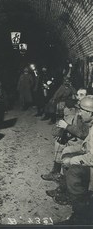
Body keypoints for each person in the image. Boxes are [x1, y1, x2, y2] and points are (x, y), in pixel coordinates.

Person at [57, 96, 93, 224]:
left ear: (90, 113)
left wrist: (72, 160)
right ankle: (68, 191)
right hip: (88, 155)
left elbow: (91, 158)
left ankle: (79, 216)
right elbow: (86, 145)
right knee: (67, 153)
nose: (79, 112)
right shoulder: (90, 124)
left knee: (74, 172)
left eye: (82, 110)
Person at [41, 90, 90, 183]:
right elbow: (73, 125)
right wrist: (62, 133)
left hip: (84, 142)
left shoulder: (87, 112)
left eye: (82, 95)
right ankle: (56, 172)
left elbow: (83, 134)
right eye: (77, 95)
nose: (79, 97)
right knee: (59, 141)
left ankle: (63, 179)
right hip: (77, 136)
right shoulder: (77, 108)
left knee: (65, 147)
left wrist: (67, 130)